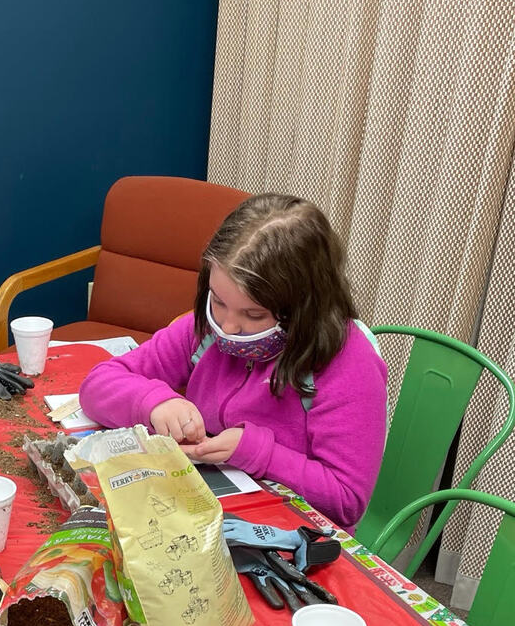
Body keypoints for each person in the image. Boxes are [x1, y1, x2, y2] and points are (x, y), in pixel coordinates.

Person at [77, 194, 386, 529]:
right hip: (204, 511)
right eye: (219, 301)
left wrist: (256, 452)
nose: (228, 326)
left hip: (290, 533)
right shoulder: (205, 330)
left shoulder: (347, 364)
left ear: (304, 308)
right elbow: (98, 384)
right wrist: (155, 403)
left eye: (254, 314)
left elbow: (346, 500)